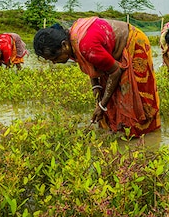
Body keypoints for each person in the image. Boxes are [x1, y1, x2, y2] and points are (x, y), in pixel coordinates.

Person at [33, 17, 161, 137]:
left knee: (135, 92)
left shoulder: (86, 45)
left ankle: (144, 133)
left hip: (132, 42)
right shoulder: (71, 44)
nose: (55, 62)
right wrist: (96, 85)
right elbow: (89, 63)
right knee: (107, 92)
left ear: (64, 45)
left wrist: (101, 106)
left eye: (55, 58)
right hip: (107, 52)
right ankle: (118, 129)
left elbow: (115, 71)